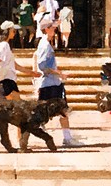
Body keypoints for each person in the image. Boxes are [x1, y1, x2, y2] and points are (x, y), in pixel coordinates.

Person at [34, 18, 79, 147]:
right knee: (43, 114)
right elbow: (42, 66)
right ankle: (66, 138)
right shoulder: (44, 45)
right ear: (46, 29)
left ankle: (67, 137)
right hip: (49, 84)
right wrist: (59, 73)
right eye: (53, 28)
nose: (55, 30)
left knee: (61, 111)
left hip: (53, 83)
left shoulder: (46, 44)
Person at [0, 21, 35, 100]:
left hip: (8, 82)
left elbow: (15, 65)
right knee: (16, 108)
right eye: (13, 31)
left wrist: (32, 73)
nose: (15, 33)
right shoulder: (3, 45)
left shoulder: (6, 46)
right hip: (6, 83)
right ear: (7, 31)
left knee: (14, 108)